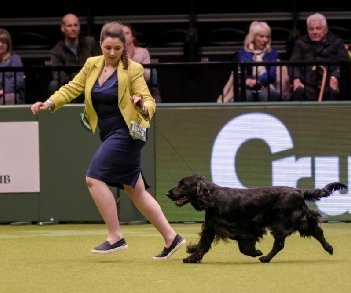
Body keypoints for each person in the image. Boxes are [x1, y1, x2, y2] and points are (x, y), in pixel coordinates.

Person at [30, 21, 185, 260]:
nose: (112, 53)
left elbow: (149, 101)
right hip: (108, 132)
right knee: (136, 191)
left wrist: (141, 104)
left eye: (117, 48)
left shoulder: (132, 69)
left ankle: (115, 236)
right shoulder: (92, 64)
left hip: (128, 133)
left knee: (93, 178)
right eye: (108, 47)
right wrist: (49, 103)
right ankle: (171, 237)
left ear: (125, 47)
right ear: (100, 45)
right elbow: (73, 88)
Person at [289, 13, 350, 101]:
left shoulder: (337, 43)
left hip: (329, 84)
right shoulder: (300, 43)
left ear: (326, 29)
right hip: (307, 85)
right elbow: (294, 64)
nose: (315, 32)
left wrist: (335, 77)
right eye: (311, 29)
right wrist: (296, 79)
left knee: (333, 92)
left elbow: (344, 63)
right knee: (298, 91)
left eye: (318, 28)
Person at [217, 21, 280, 103]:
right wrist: (247, 81)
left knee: (265, 95)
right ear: (253, 37)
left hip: (266, 86)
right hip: (246, 87)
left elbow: (271, 75)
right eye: (261, 36)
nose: (265, 40)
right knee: (246, 95)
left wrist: (258, 81)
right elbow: (241, 74)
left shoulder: (272, 53)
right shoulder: (243, 53)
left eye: (267, 37)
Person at [48, 13, 101, 102]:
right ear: (62, 28)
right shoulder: (56, 51)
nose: (73, 28)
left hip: (91, 81)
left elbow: (100, 64)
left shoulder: (90, 43)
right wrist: (80, 79)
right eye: (69, 26)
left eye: (76, 25)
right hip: (69, 84)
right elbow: (59, 76)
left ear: (79, 27)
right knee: (54, 85)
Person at [122, 23, 161, 102]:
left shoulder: (143, 51)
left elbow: (147, 75)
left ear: (132, 37)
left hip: (141, 87)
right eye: (122, 34)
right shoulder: (115, 53)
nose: (124, 36)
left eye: (127, 33)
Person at [0, 28, 25, 105]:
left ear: (8, 44)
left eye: (3, 42)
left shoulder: (15, 59)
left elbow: (19, 79)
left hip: (9, 93)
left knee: (9, 98)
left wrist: (4, 90)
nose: (0, 44)